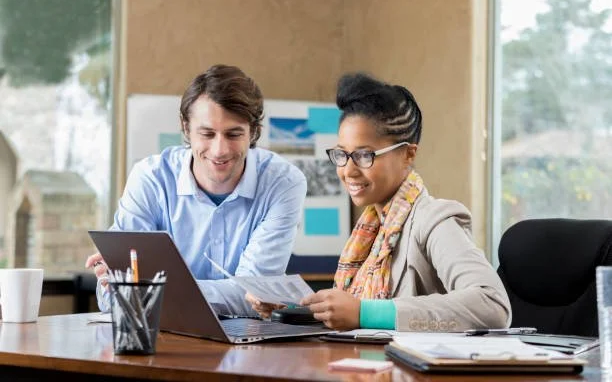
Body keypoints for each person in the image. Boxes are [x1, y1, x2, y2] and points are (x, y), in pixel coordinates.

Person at [247, 72, 511, 331]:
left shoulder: (434, 220)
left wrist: (363, 312)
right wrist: (292, 310)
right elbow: (353, 318)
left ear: (408, 154)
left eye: (364, 155)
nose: (348, 170)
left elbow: (492, 304)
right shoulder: (370, 231)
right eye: (342, 154)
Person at [86, 64, 307, 315]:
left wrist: (150, 288)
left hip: (247, 345)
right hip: (162, 340)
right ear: (185, 128)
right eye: (207, 134)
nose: (220, 150)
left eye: (234, 134)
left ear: (253, 132)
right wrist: (124, 286)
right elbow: (113, 297)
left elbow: (254, 297)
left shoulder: (284, 183)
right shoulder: (150, 179)